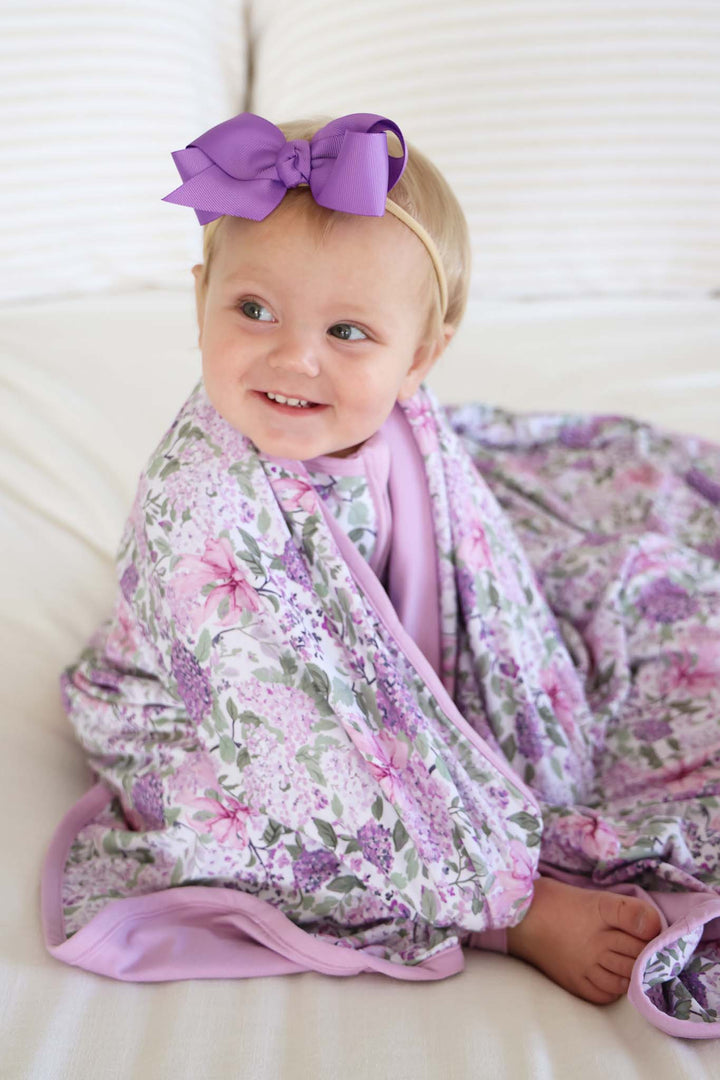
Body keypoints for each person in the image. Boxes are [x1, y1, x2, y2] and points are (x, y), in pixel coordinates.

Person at [43, 112, 720, 1032]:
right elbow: (292, 748)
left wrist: (516, 704)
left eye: (349, 330)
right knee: (232, 827)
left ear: (419, 359)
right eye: (253, 310)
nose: (294, 357)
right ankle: (494, 918)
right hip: (222, 704)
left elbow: (474, 556)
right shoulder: (200, 501)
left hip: (336, 652)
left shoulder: (404, 419)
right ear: (200, 298)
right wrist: (510, 892)